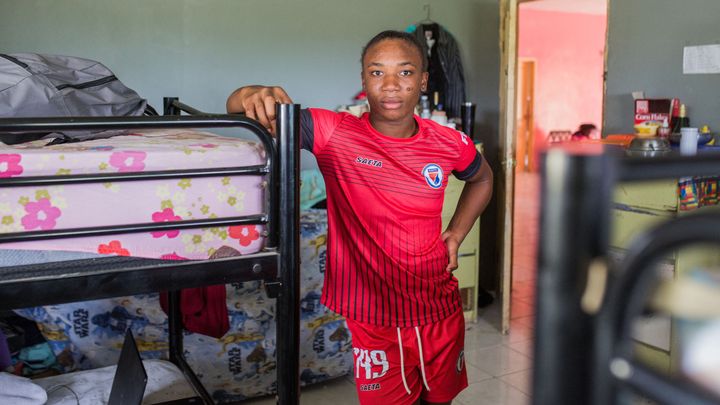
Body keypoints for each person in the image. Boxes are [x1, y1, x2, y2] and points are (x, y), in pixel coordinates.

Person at [227, 30, 493, 405]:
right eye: (376, 72)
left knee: (439, 401)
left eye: (404, 72)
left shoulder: (449, 141)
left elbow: (483, 178)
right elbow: (239, 109)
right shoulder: (334, 132)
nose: (390, 85)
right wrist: (253, 92)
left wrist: (456, 233)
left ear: (423, 80)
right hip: (373, 316)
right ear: (363, 81)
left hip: (438, 307)